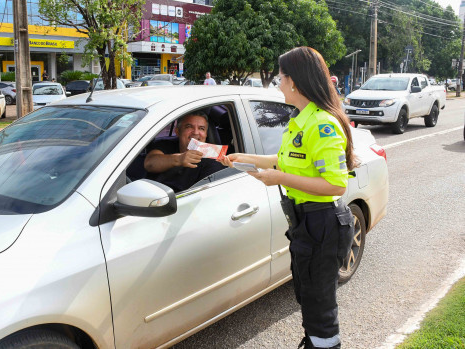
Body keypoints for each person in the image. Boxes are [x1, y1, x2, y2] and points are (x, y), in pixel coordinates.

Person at [219, 47, 356, 349]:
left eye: (279, 78)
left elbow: (336, 185)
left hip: (322, 222)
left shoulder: (321, 125)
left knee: (320, 303)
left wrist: (278, 179)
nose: (277, 84)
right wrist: (245, 158)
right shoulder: (300, 121)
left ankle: (324, 344)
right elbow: (284, 161)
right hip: (306, 222)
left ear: (294, 82)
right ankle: (315, 341)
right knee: (308, 295)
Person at [144, 111, 224, 192]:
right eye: (189, 127)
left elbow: (207, 194)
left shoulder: (214, 157)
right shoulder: (165, 144)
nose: (196, 132)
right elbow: (149, 164)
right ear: (178, 131)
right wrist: (179, 159)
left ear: (206, 134)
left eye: (201, 128)